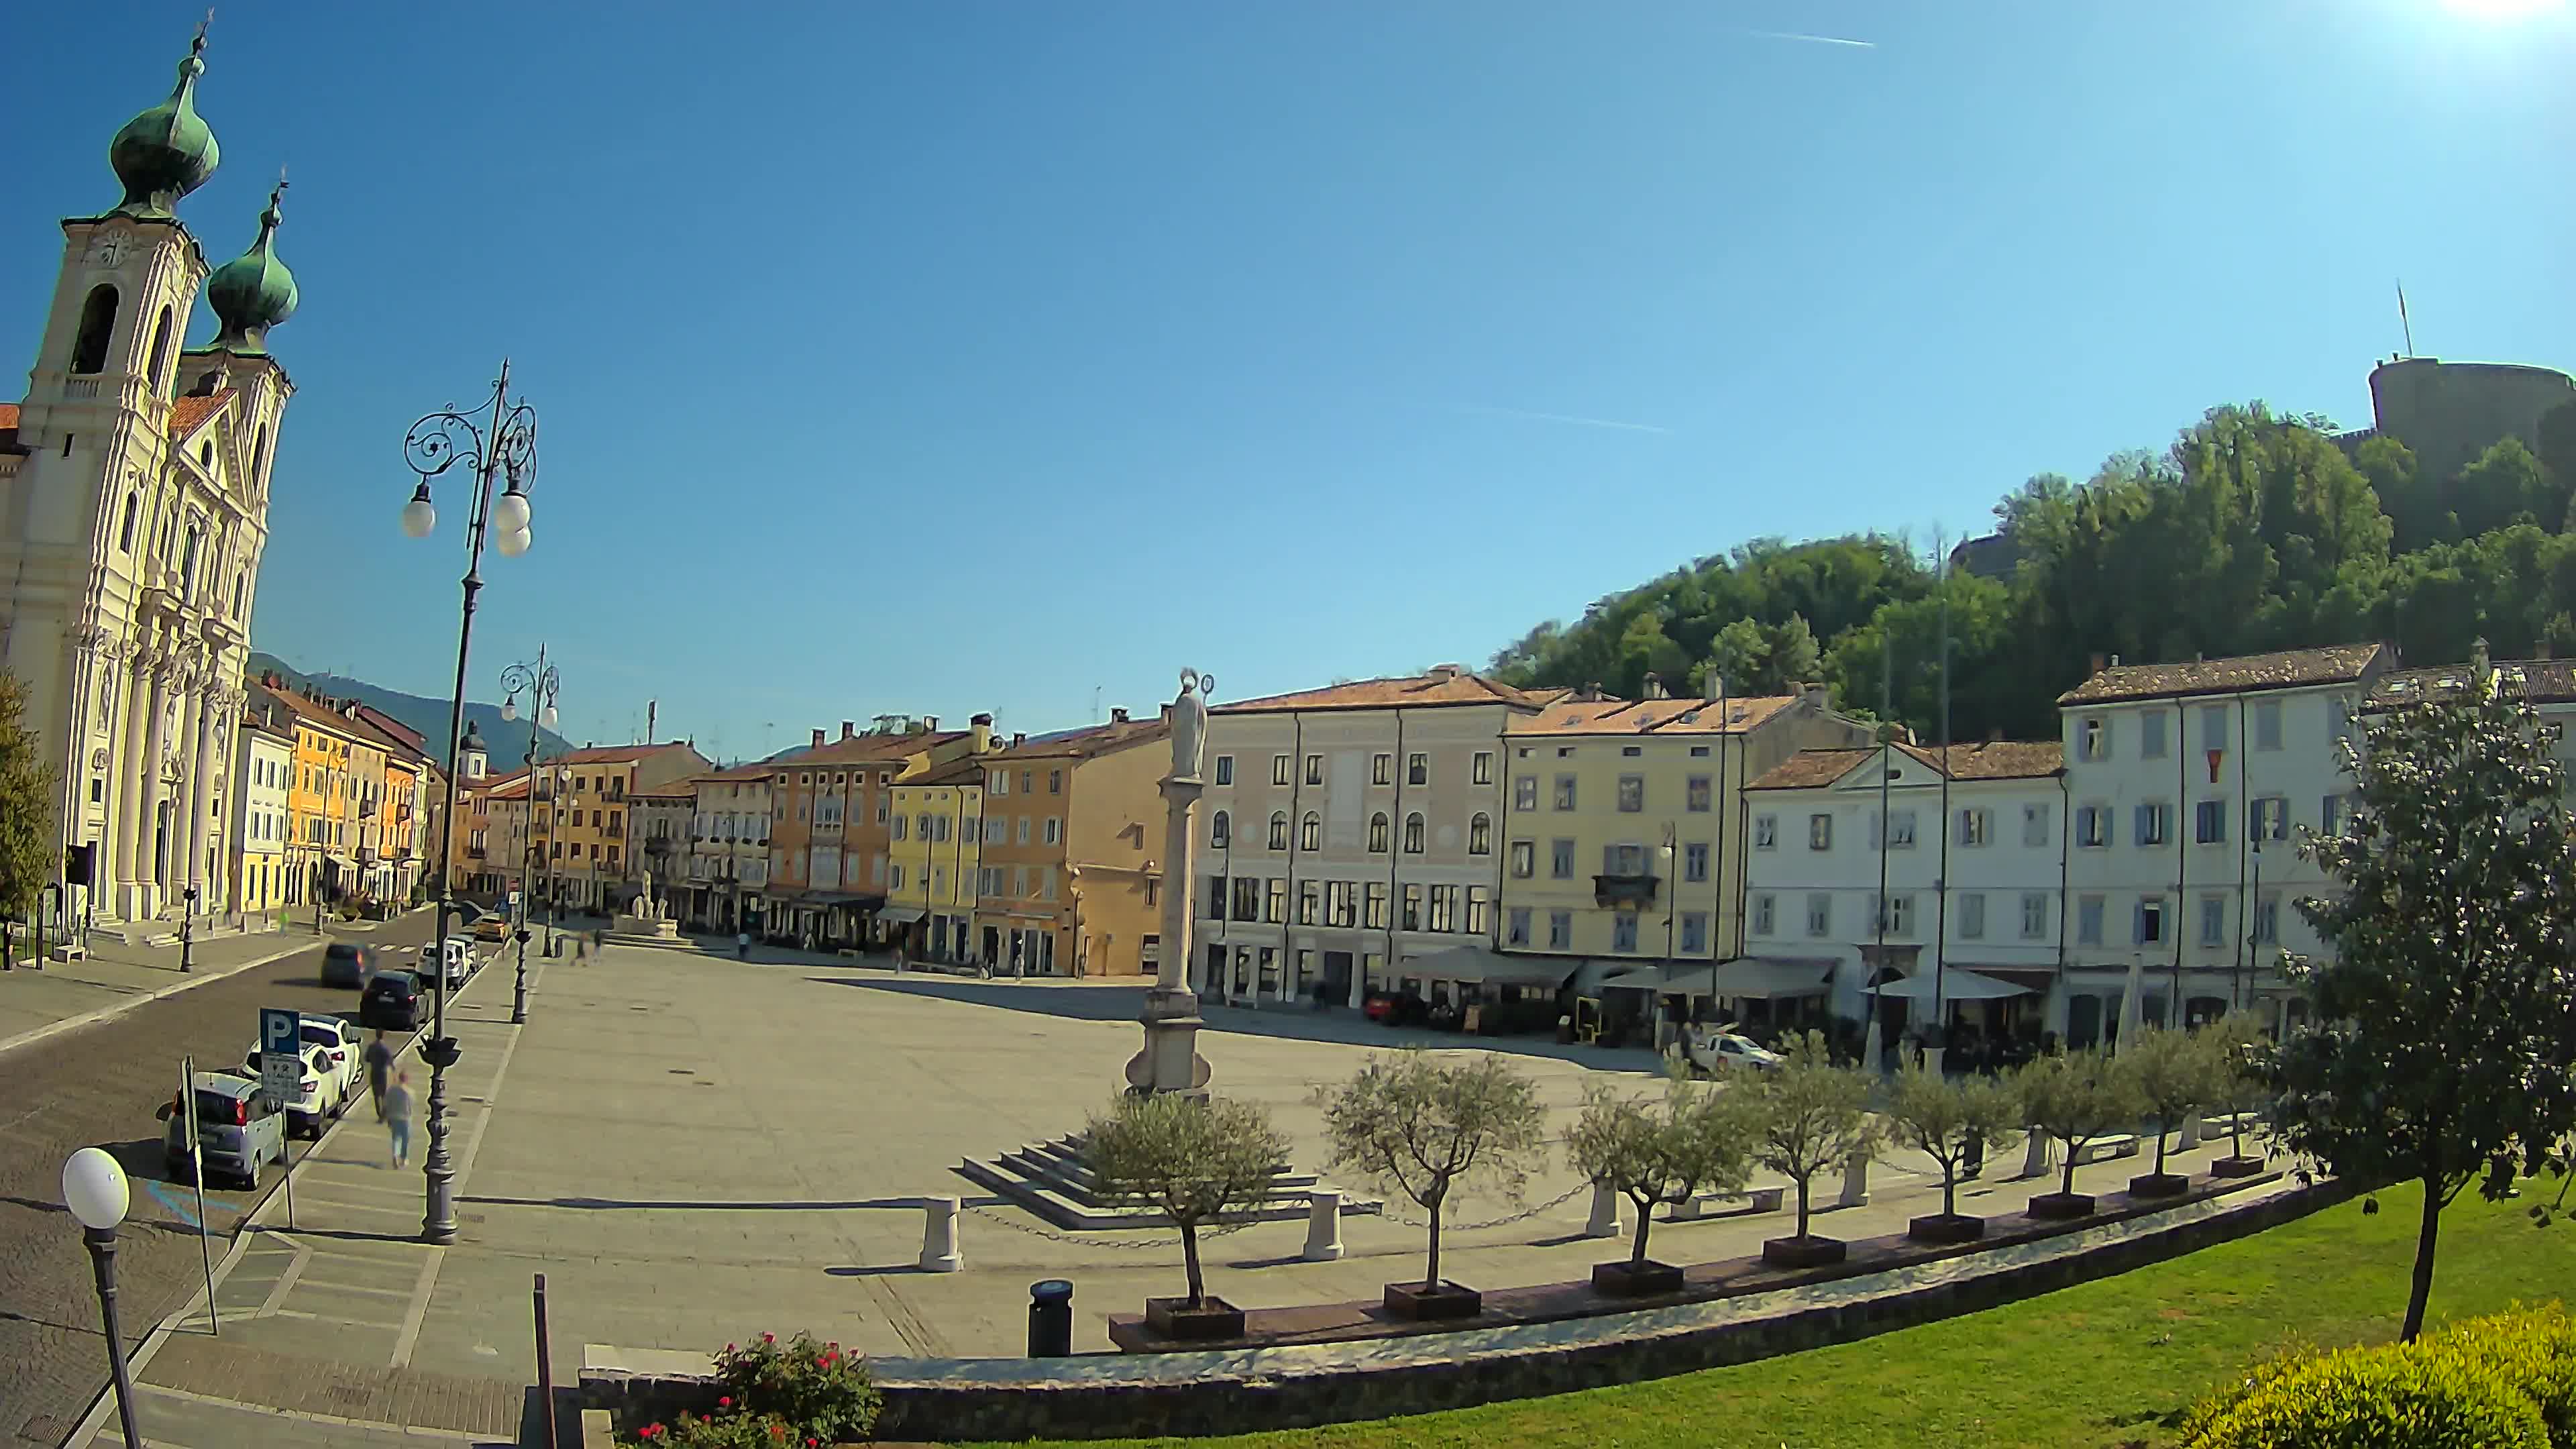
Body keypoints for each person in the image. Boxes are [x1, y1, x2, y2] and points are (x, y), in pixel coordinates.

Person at [384, 1069, 415, 1167]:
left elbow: (386, 1103)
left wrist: (388, 1117)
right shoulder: (409, 1092)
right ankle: (404, 1159)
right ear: (406, 1080)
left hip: (394, 1117)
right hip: (405, 1118)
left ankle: (395, 1156)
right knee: (405, 1139)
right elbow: (411, 1106)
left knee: (396, 1139)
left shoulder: (391, 1090)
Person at [364, 1029, 396, 1120]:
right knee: (384, 1095)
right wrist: (393, 1070)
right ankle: (384, 1115)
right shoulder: (384, 1048)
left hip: (374, 1072)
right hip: (383, 1074)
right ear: (383, 1036)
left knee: (376, 1096)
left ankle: (380, 1114)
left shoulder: (372, 1047)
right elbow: (390, 1060)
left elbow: (367, 1058)